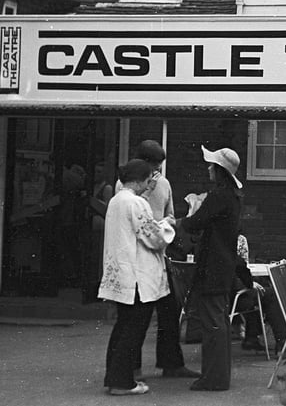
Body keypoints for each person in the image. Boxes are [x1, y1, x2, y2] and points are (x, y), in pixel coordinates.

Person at [98, 159, 176, 396]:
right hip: (138, 278)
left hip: (120, 274)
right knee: (134, 331)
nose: (149, 185)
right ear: (140, 179)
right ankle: (123, 383)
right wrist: (167, 226)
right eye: (148, 180)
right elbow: (153, 238)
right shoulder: (137, 203)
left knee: (122, 328)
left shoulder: (115, 201)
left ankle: (114, 377)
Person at [176, 145, 244, 391]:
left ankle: (213, 379)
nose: (208, 168)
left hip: (212, 267)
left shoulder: (218, 195)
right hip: (223, 266)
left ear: (220, 170)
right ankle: (216, 376)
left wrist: (178, 221)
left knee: (212, 324)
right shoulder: (233, 196)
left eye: (211, 165)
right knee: (219, 323)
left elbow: (195, 223)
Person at [130, 140, 198, 379]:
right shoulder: (126, 186)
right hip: (137, 257)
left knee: (170, 310)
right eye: (153, 166)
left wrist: (165, 226)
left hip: (160, 254)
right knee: (139, 314)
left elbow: (169, 215)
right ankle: (133, 367)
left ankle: (171, 363)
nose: (156, 172)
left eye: (159, 167)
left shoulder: (164, 183)